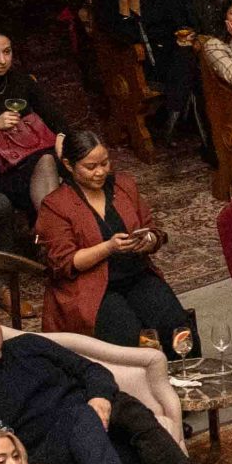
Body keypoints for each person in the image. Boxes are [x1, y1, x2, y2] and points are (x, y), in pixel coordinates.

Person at [44, 126, 201, 355]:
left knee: (177, 330)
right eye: (91, 167)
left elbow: (153, 229)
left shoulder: (123, 186)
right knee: (131, 340)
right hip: (93, 287)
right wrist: (108, 247)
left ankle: (189, 383)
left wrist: (148, 239)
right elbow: (64, 262)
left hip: (135, 274)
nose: (100, 172)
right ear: (69, 165)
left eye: (105, 163)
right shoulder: (56, 205)